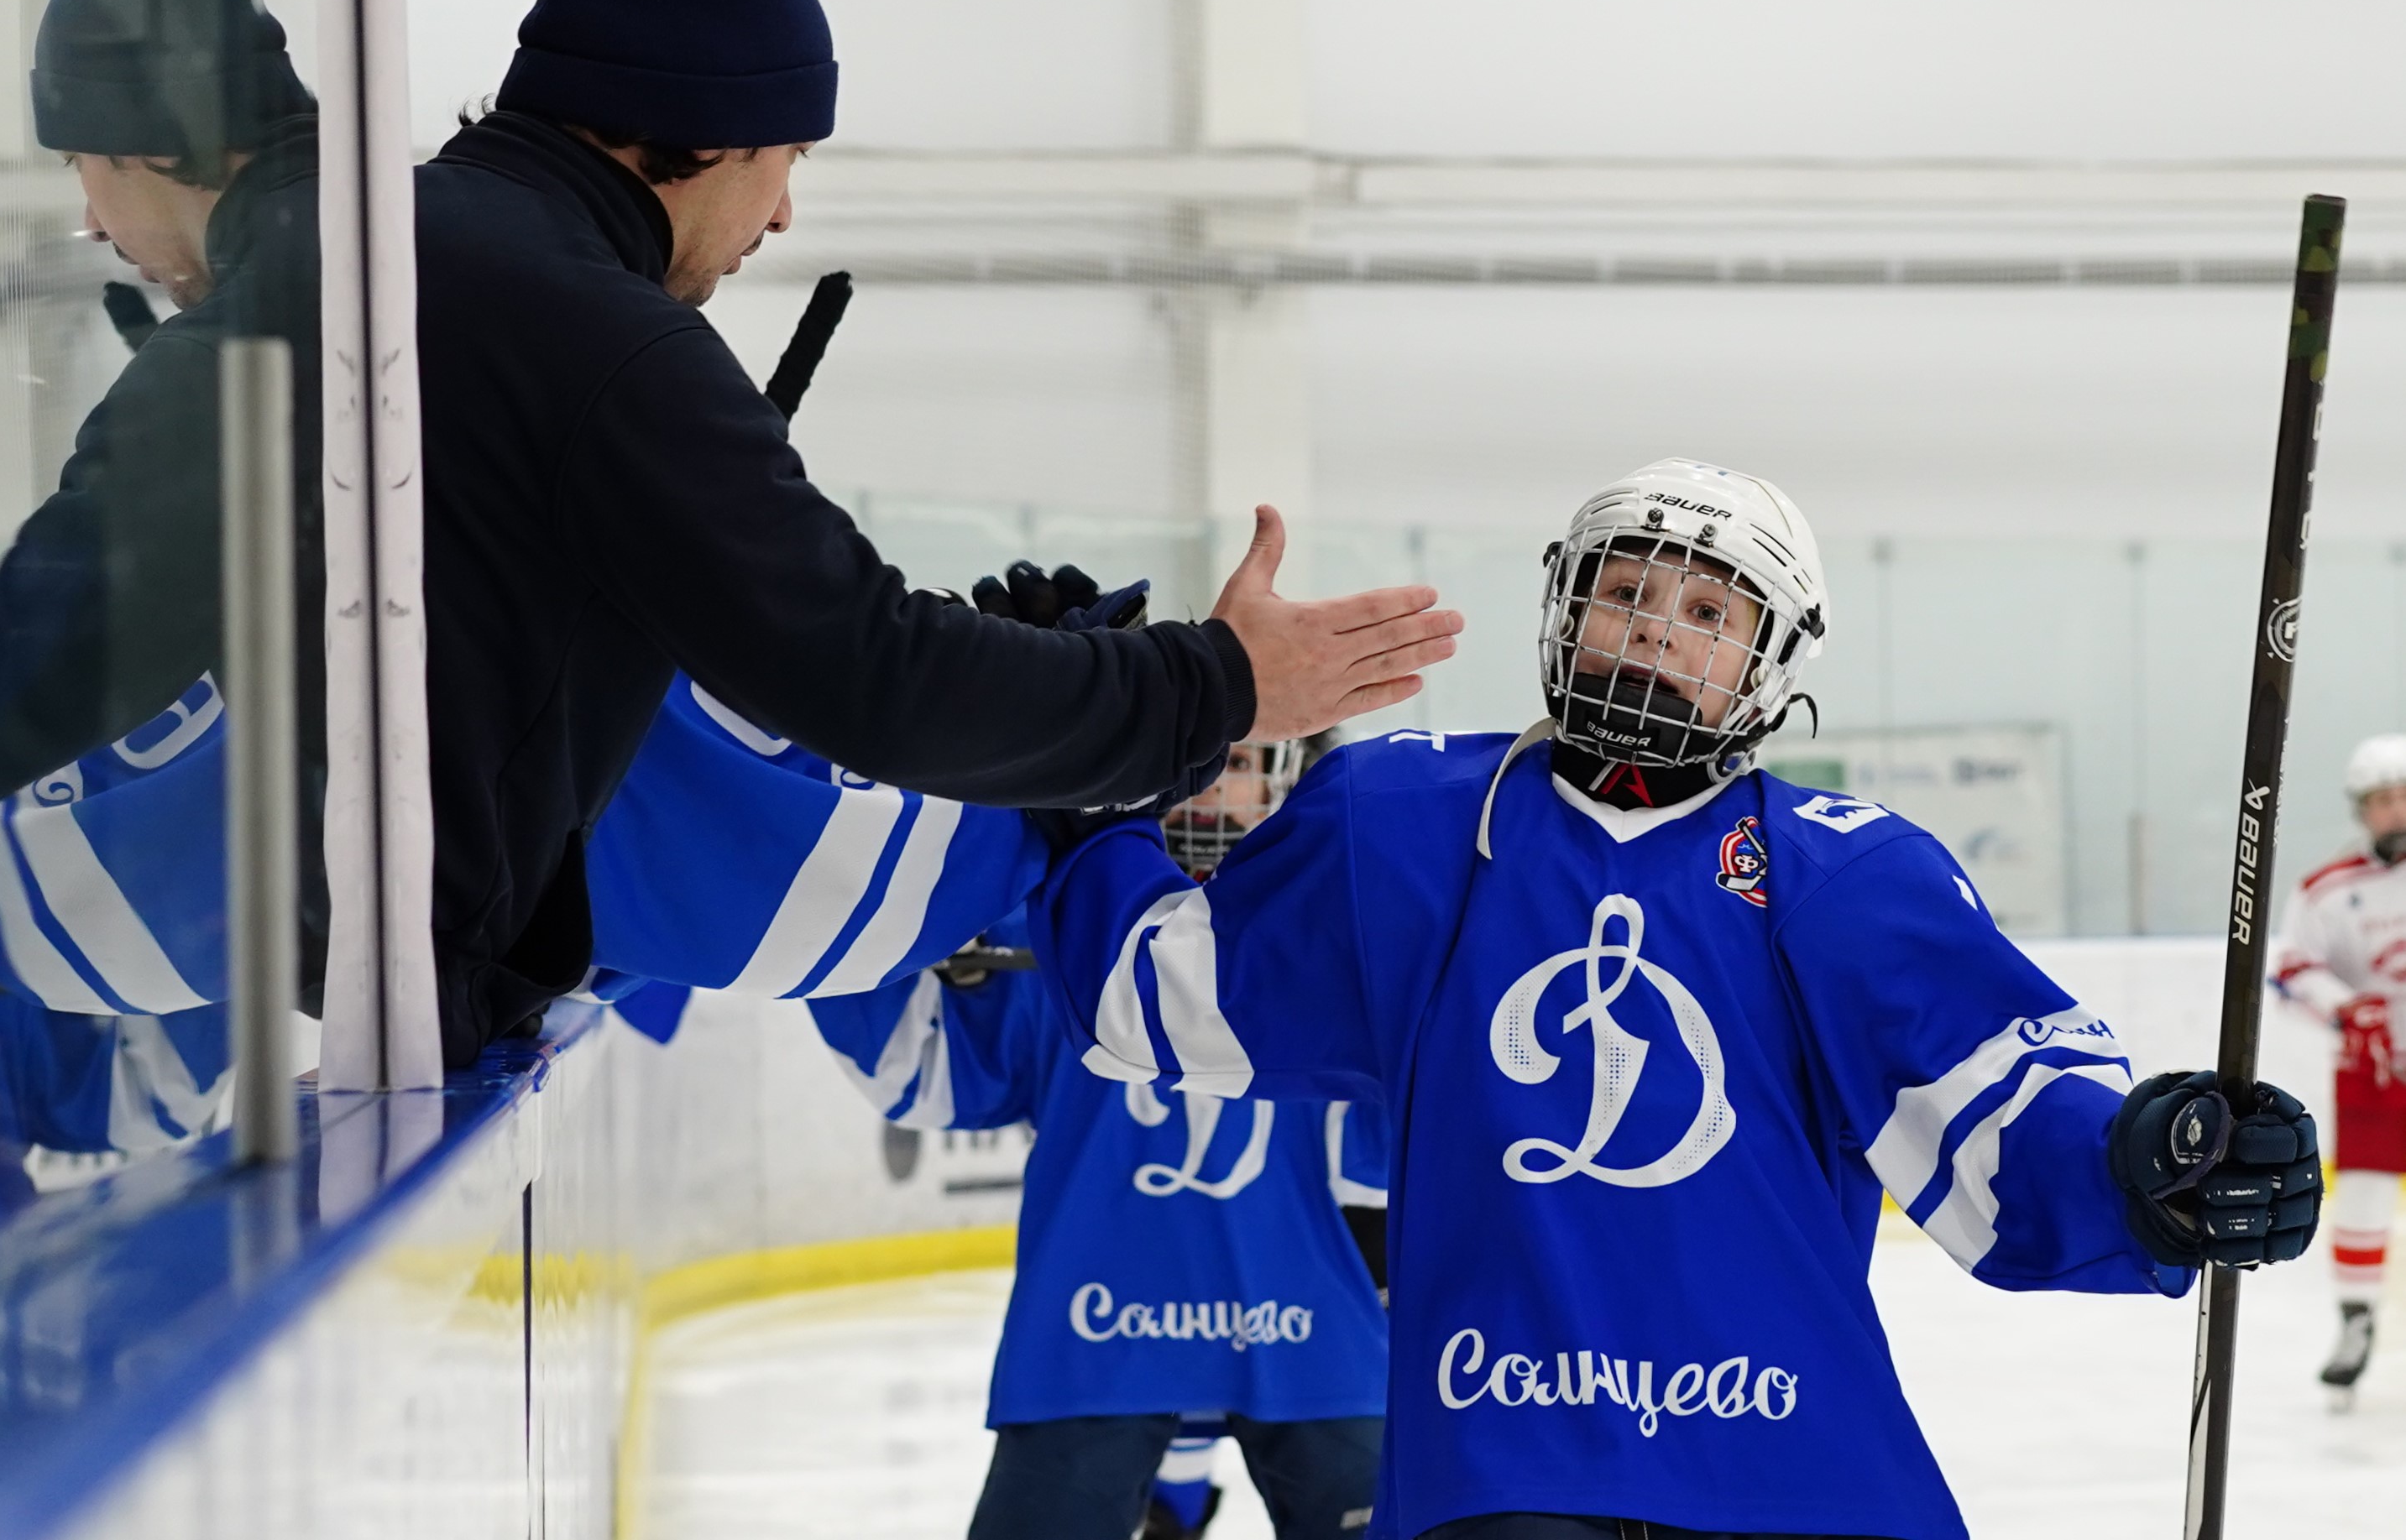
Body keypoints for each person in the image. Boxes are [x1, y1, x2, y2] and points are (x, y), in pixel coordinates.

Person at [1028, 457, 2322, 1540]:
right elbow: (1166, 994)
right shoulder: (1404, 828)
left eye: (1712, 611)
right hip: (1508, 1470)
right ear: (1561, 610)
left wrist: (2159, 1163)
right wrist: (1104, 759)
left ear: (1770, 660)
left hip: (1805, 1472)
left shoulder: (1847, 874)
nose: (1656, 625)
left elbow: (2006, 1122)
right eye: (1627, 592)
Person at [400, 0, 1458, 1064]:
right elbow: (869, 673)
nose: (785, 214)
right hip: (367, 1000)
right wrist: (1212, 686)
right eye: (788, 159)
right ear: (708, 128)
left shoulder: (385, 248)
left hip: (326, 976)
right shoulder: (606, 343)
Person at [808, 742, 1389, 1540]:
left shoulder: (1336, 930)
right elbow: (927, 1073)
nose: (1218, 785)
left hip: (1305, 1339)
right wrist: (911, 954)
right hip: (1106, 1339)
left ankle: (1178, 1503)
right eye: (1202, 760)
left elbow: (1395, 1146)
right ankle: (1177, 1503)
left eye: (1247, 761)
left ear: (1291, 778)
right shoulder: (1067, 920)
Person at [0, 0, 329, 968]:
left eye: (82, 167)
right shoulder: (381, 249)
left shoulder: (243, 347)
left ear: (150, 144)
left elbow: (23, 678)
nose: (94, 223)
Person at [2270, 733, 2406, 1401]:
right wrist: (2348, 1009)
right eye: (2384, 799)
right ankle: (2356, 1322)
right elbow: (2292, 967)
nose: (2397, 810)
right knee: (2365, 1198)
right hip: (2373, 1070)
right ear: (2362, 808)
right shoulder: (2328, 889)